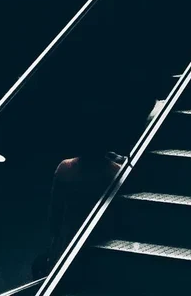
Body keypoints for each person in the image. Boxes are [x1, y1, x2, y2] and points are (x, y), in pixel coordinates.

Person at [33, 109, 123, 276]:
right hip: (101, 238)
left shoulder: (65, 168)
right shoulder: (115, 173)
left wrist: (54, 243)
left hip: (69, 236)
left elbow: (55, 213)